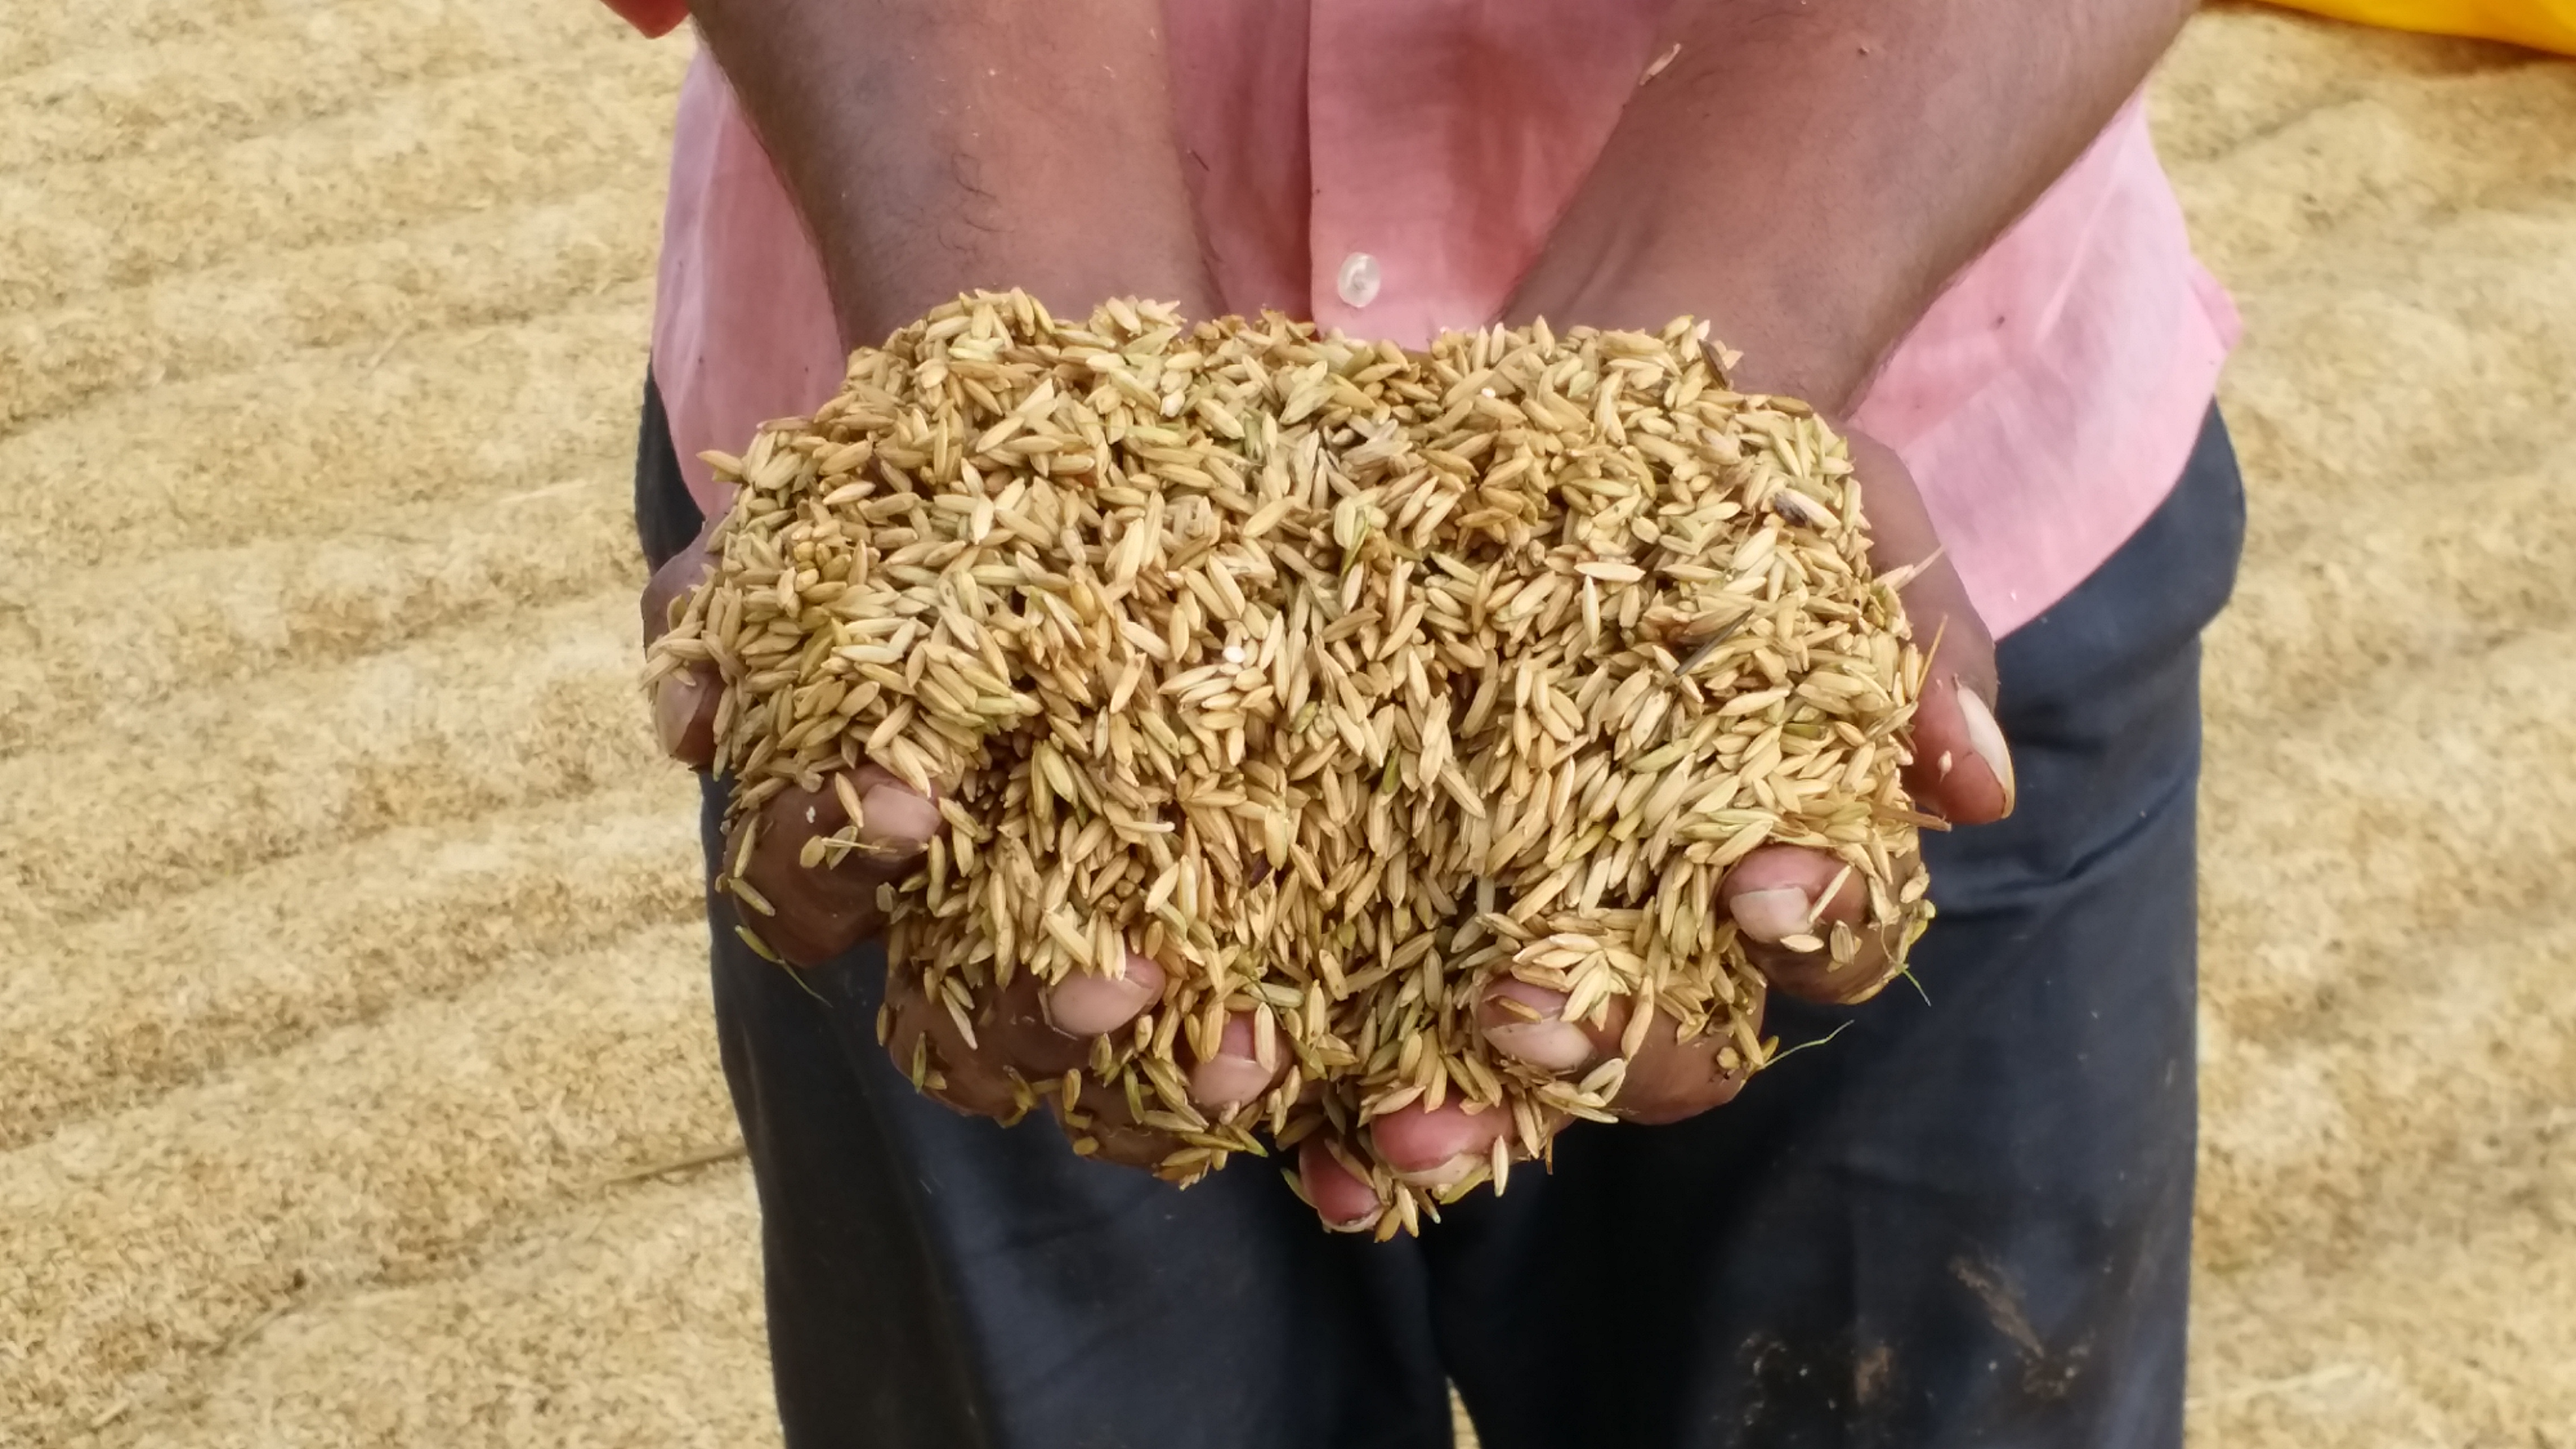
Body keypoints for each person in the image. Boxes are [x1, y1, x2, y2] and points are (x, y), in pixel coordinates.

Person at [608, 2, 2246, 1445]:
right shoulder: (992, 543)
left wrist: (1690, 404)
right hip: (967, 603)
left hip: (1885, 469)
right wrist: (1039, 405)